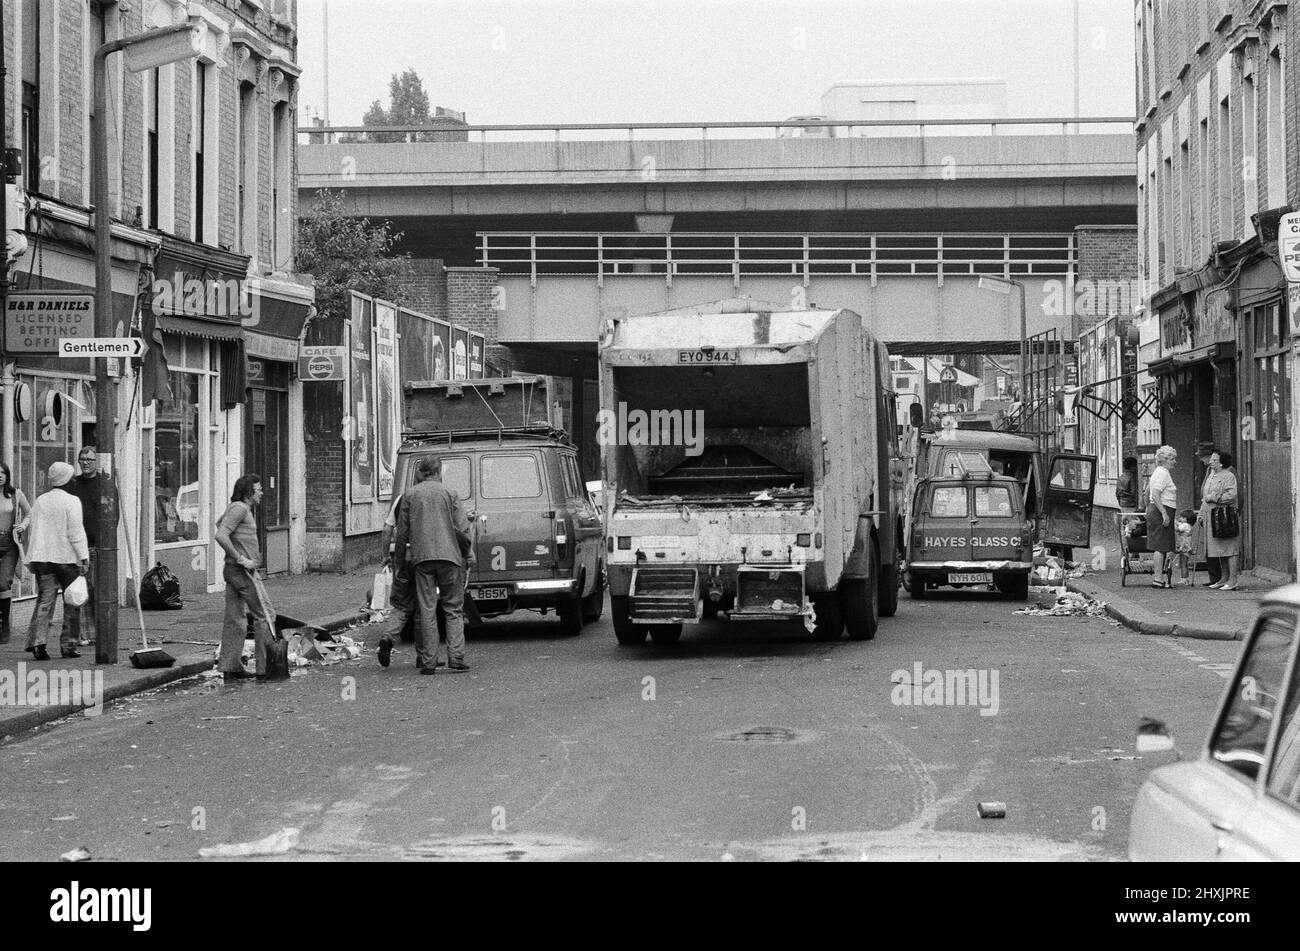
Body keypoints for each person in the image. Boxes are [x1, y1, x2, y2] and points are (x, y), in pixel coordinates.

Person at [393, 455, 472, 674]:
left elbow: (402, 533)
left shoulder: (410, 495)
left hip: (422, 559)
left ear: (421, 472)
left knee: (427, 610)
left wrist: (400, 562)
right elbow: (463, 530)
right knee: (453, 609)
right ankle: (456, 657)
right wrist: (466, 554)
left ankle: (428, 662)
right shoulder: (450, 494)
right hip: (450, 558)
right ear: (439, 471)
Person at [22, 462, 89, 660]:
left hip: (43, 558)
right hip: (67, 559)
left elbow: (35, 529)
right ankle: (68, 645)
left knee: (45, 602)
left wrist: (32, 557)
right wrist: (83, 556)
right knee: (72, 601)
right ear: (67, 479)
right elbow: (76, 532)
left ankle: (38, 643)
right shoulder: (72, 501)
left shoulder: (41, 500)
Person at [214, 474, 274, 681]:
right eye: (258, 490)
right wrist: (241, 557)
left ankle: (230, 667)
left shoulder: (237, 508)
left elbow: (219, 524)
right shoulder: (240, 508)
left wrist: (237, 545)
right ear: (249, 492)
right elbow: (220, 535)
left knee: (235, 618)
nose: (261, 493)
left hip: (231, 571)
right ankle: (265, 668)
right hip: (242, 572)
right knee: (264, 615)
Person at [62, 445, 112, 645]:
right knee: (78, 591)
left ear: (96, 462)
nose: (85, 463)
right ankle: (83, 634)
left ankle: (98, 632)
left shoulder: (105, 484)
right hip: (74, 546)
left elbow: (111, 515)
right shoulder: (72, 484)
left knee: (97, 592)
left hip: (97, 545)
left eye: (90, 459)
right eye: (82, 459)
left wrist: (106, 540)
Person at [1198, 449, 1241, 591]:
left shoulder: (1229, 476)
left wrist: (1214, 498)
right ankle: (1224, 578)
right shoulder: (1211, 476)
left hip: (1225, 516)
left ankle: (1233, 579)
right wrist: (1202, 513)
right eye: (1211, 459)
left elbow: (1232, 495)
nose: (1211, 462)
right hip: (1212, 517)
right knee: (1219, 548)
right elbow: (1205, 497)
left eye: (1215, 460)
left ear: (1221, 463)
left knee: (1229, 548)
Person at [0, 462, 32, 645]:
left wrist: (22, 526)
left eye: (3, 473)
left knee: (3, 582)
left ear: (7, 475)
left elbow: (30, 513)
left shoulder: (15, 494)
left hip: (9, 544)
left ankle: (5, 628)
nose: (0, 476)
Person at [1146, 445, 1178, 587]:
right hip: (1161, 511)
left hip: (1157, 510)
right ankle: (1158, 578)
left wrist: (1149, 507)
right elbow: (1155, 493)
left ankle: (1158, 578)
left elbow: (1147, 492)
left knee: (1162, 545)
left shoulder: (1158, 472)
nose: (1174, 461)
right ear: (1164, 459)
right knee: (1160, 545)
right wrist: (1164, 513)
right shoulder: (1163, 473)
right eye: (1172, 458)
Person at [1173, 510, 1195, 586]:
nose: (1180, 518)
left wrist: (1173, 522)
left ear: (1186, 519)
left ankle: (1184, 579)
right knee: (1184, 563)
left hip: (1184, 546)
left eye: (1182, 517)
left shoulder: (1185, 525)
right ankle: (1185, 578)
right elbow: (1179, 524)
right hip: (1186, 546)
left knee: (1183, 564)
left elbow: (1177, 529)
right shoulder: (1188, 525)